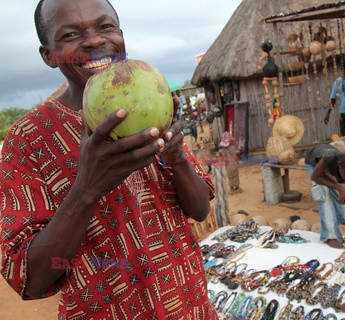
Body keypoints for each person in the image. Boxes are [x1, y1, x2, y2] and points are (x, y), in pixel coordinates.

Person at [0, 1, 218, 319]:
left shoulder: (148, 102)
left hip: (190, 305)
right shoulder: (28, 138)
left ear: (120, 35)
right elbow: (31, 279)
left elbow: (199, 210)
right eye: (71, 34)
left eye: (105, 27)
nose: (93, 41)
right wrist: (88, 186)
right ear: (48, 55)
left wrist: (176, 157)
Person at [305, 144, 345, 249]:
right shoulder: (329, 157)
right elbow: (315, 177)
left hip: (328, 169)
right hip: (314, 163)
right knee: (324, 193)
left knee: (341, 197)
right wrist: (339, 187)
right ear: (339, 164)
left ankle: (342, 228)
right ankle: (330, 236)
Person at [325, 63, 345, 136]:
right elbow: (333, 99)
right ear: (342, 70)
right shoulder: (338, 81)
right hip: (344, 113)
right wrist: (328, 114)